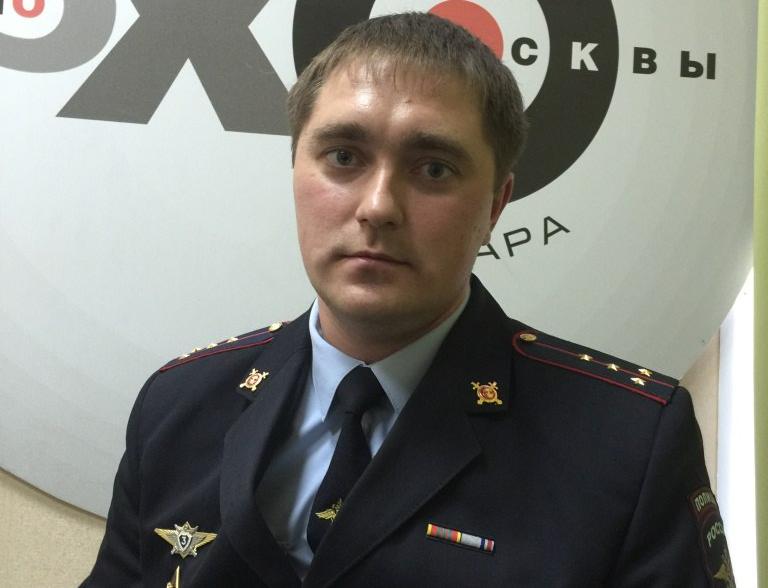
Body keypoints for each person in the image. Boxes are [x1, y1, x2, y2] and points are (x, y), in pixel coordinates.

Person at [82, 12, 733, 587]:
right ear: (295, 168)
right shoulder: (178, 406)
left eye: (433, 169)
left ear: (495, 205)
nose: (377, 207)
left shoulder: (627, 442)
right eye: (343, 157)